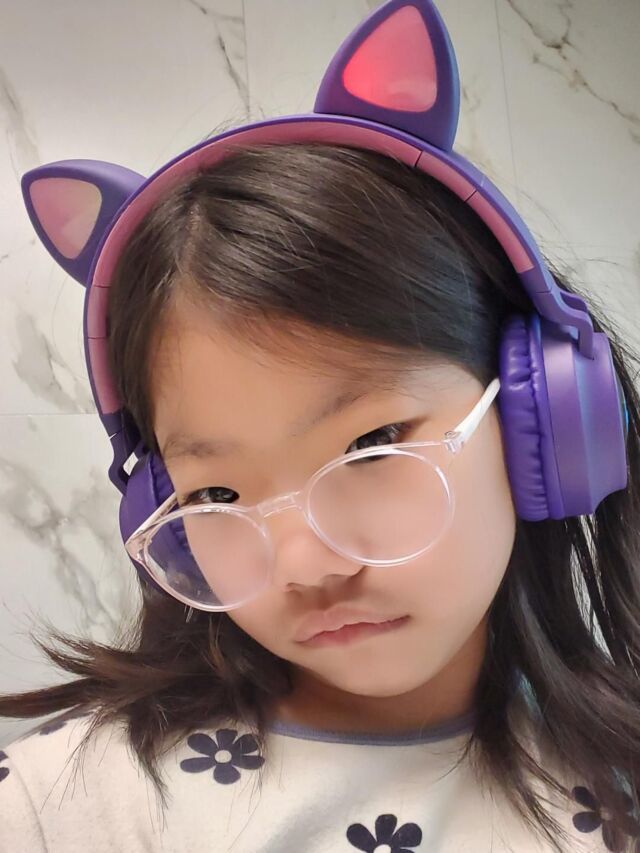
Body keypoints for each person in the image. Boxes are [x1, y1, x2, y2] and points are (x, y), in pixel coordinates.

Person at [1, 1, 639, 850]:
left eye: (371, 445)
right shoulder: (62, 803)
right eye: (216, 493)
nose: (307, 566)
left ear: (546, 418)